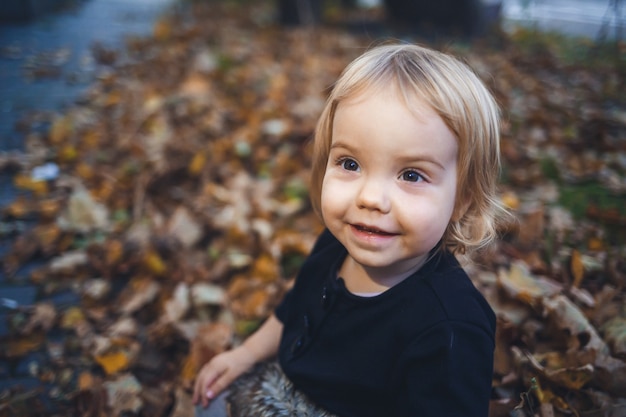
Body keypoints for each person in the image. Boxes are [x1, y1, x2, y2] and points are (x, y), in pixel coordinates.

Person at [193, 42, 507, 417]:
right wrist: (245, 354)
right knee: (209, 402)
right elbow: (294, 309)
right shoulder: (336, 245)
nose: (371, 198)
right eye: (350, 163)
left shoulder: (450, 329)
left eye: (411, 174)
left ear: (463, 199)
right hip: (291, 388)